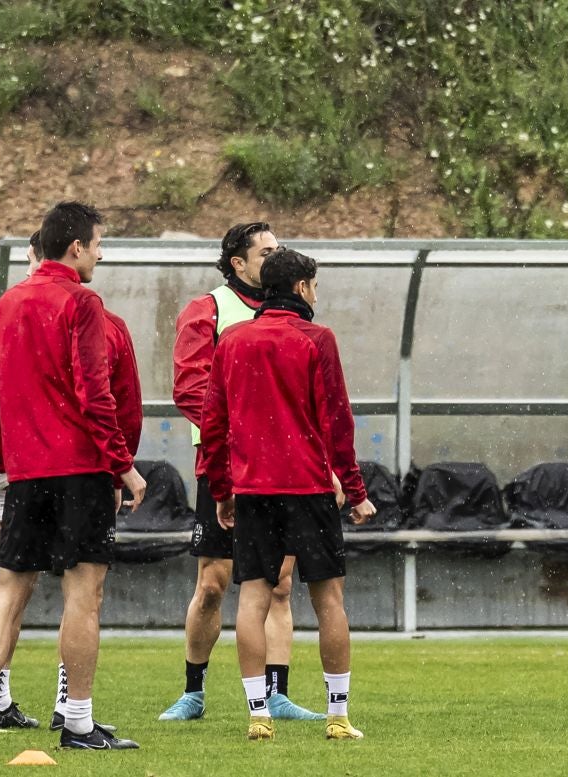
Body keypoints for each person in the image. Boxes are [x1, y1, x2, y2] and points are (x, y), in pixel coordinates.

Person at [0, 202, 144, 751]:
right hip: (81, 472)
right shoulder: (84, 303)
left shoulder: (8, 304)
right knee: (82, 597)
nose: (101, 253)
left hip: (25, 475)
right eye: (97, 244)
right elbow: (96, 394)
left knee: (9, 594)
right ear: (76, 248)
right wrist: (124, 468)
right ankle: (79, 723)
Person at [201, 248, 376, 741]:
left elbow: (215, 424)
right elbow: (337, 421)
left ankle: (259, 715)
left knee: (254, 597)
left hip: (254, 489)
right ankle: (338, 716)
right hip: (309, 488)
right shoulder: (317, 339)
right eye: (314, 285)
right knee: (329, 599)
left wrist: (222, 489)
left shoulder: (233, 341)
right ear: (301, 287)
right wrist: (356, 490)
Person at [159, 223, 322, 722]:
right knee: (213, 583)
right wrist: (240, 430)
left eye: (280, 250)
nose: (277, 257)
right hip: (226, 464)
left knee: (279, 582)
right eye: (267, 251)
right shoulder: (206, 310)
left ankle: (276, 695)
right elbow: (190, 389)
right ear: (238, 263)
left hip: (281, 466)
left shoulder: (293, 315)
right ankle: (194, 691)